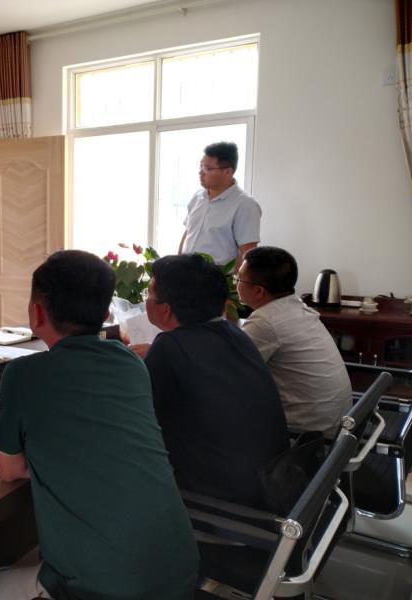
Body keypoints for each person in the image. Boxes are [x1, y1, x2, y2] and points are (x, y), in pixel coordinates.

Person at [0, 250, 199, 600]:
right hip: (178, 569)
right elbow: (102, 430)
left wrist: (24, 437)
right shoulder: (130, 364)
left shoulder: (24, 374)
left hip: (107, 588)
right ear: (106, 313)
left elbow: (10, 470)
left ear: (37, 313)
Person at [141, 254, 289, 507]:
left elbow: (141, 421)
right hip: (274, 484)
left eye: (149, 294)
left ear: (165, 310)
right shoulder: (235, 334)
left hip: (225, 505)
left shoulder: (170, 347)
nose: (146, 301)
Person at [238, 246, 352, 434]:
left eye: (239, 278)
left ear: (258, 291)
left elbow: (230, 373)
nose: (236, 282)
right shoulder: (298, 307)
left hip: (308, 438)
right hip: (338, 428)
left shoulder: (265, 322)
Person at [179, 141, 260, 269]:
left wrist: (235, 280)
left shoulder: (245, 205)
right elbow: (188, 234)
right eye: (201, 166)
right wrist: (176, 264)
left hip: (217, 278)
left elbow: (247, 253)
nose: (201, 172)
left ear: (227, 172)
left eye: (207, 168)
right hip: (185, 273)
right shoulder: (197, 197)